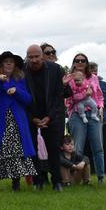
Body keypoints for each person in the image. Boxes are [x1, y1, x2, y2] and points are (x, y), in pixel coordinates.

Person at [0, 51, 37, 191]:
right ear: (1, 64)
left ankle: (16, 182)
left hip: (17, 120)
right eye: (6, 61)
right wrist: (0, 82)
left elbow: (27, 99)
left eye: (11, 62)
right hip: (0, 120)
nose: (9, 64)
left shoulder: (20, 79)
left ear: (15, 65)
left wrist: (16, 91)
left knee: (17, 150)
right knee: (0, 150)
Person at [24, 45, 70, 191]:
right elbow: (22, 97)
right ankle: (38, 181)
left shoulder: (55, 70)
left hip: (52, 115)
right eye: (30, 57)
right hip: (31, 115)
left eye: (36, 56)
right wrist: (33, 118)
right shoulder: (22, 71)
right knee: (33, 150)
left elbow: (59, 96)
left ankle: (57, 181)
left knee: (54, 149)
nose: (34, 60)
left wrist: (49, 117)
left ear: (42, 56)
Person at [64, 53, 105, 184]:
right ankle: (75, 179)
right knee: (77, 148)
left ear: (87, 63)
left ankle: (101, 177)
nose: (80, 62)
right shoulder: (69, 79)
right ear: (74, 63)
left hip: (93, 114)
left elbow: (99, 95)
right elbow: (69, 100)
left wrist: (101, 107)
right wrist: (84, 96)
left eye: (83, 60)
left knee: (98, 147)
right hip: (77, 114)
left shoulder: (93, 78)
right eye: (77, 60)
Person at [90, 62, 106, 174]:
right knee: (92, 145)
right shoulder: (83, 84)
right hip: (91, 119)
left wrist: (99, 102)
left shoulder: (104, 85)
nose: (94, 72)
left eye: (95, 70)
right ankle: (91, 168)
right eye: (91, 70)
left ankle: (105, 168)